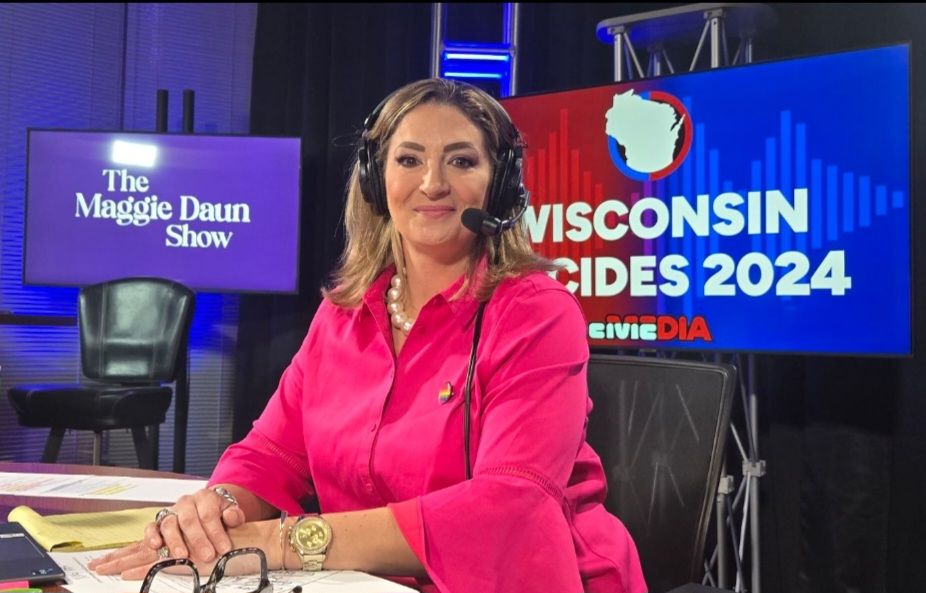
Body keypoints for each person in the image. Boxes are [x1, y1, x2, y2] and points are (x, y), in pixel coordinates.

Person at [89, 78, 647, 593]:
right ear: (375, 180)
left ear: (499, 187)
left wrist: (280, 542)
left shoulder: (537, 312)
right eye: (409, 160)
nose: (433, 183)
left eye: (461, 160)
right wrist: (216, 512)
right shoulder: (343, 314)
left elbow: (511, 504)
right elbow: (270, 453)